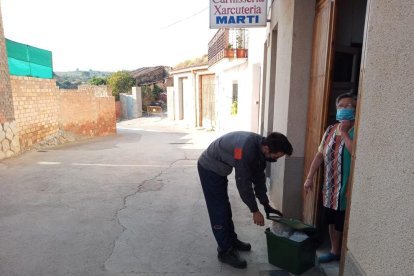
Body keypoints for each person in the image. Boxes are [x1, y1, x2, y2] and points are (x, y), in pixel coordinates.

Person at [198, 131, 293, 269]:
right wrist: (254, 210)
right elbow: (243, 183)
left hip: (221, 168)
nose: (276, 159)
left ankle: (231, 240)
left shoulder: (260, 150)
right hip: (209, 168)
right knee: (218, 210)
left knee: (225, 207)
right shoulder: (246, 151)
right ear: (267, 148)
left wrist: (265, 204)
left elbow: (259, 179)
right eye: (276, 156)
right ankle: (225, 251)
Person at [304, 93, 357, 263]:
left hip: (347, 188)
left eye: (350, 105)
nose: (345, 108)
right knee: (331, 220)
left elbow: (356, 153)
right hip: (330, 186)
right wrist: (309, 177)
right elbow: (320, 155)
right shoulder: (329, 130)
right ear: (337, 108)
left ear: (356, 109)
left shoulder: (358, 129)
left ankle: (344, 253)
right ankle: (334, 251)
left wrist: (345, 134)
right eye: (342, 105)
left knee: (343, 221)